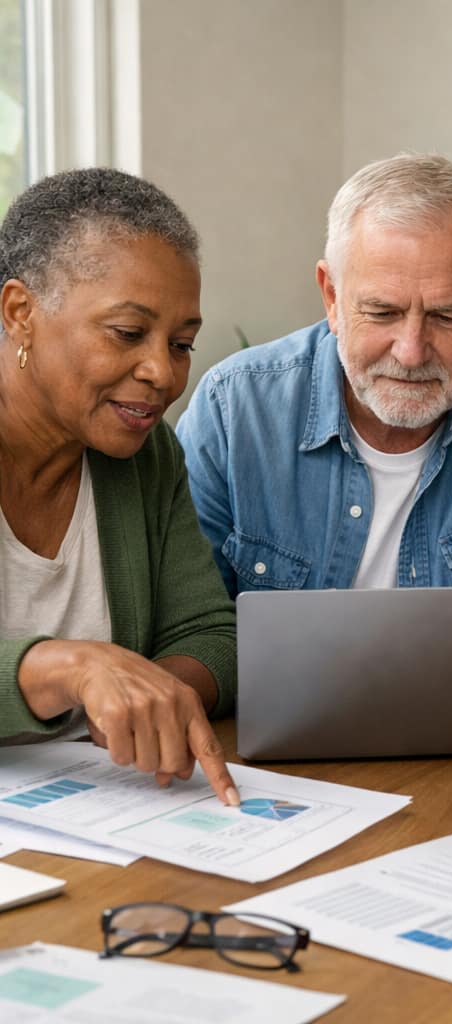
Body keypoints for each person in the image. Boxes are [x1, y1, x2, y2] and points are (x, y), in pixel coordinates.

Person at [177, 154, 452, 668]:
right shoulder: (235, 406)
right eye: (382, 312)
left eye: (447, 315)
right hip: (267, 745)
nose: (411, 351)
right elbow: (187, 629)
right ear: (330, 295)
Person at [0, 167, 238, 806]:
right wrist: (67, 668)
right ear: (21, 313)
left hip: (93, 814)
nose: (162, 373)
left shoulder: (142, 451)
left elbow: (210, 634)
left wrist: (149, 695)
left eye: (182, 343)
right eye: (128, 334)